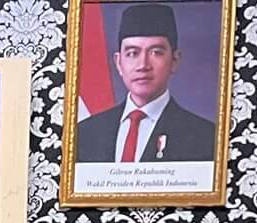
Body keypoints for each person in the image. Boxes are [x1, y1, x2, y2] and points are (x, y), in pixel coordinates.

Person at [74, 2, 219, 165]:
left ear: (175, 60)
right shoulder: (84, 133)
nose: (143, 65)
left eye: (156, 52)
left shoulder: (205, 137)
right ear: (118, 62)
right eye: (132, 53)